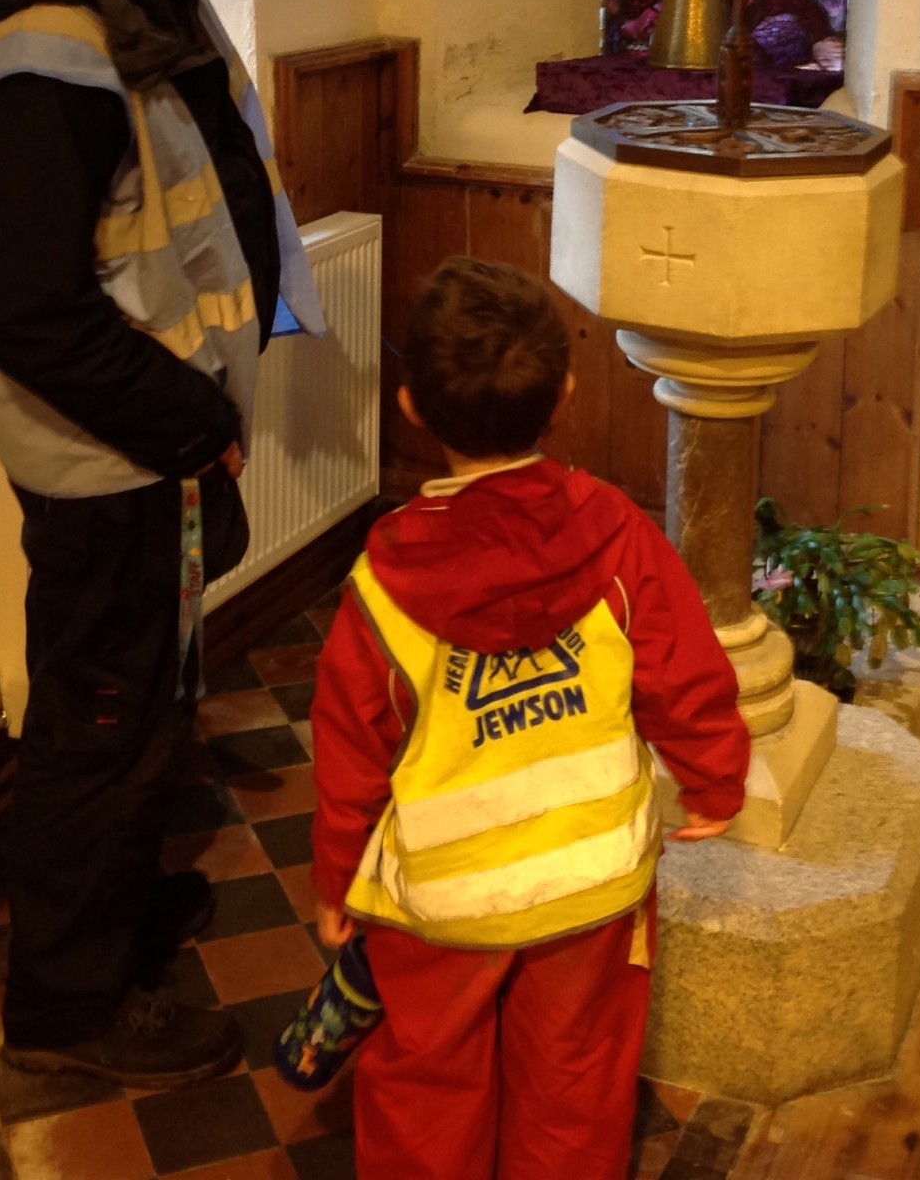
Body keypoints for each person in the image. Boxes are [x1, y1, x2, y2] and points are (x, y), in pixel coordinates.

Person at [0, 0, 429, 1087]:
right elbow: (34, 318)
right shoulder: (37, 71)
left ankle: (120, 914)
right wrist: (195, 419)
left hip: (156, 435)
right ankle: (68, 1008)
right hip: (104, 451)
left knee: (147, 697)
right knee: (100, 716)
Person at [309, 258, 750, 1179]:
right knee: (575, 1084)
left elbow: (350, 753)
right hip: (590, 884)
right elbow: (686, 671)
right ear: (568, 393)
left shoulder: (382, 587)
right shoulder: (620, 533)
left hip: (443, 903)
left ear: (411, 409)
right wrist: (714, 780)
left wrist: (336, 883)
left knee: (428, 1088)